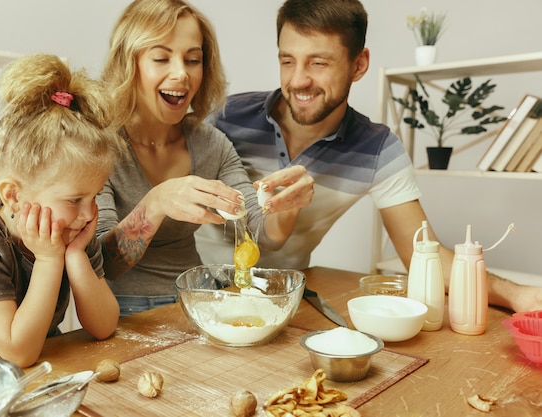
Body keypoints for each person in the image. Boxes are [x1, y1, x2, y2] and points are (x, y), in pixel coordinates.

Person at [195, 0, 542, 313]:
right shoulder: (227, 117)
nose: (298, 80)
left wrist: (518, 295)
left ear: (358, 65)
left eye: (318, 62)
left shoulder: (376, 149)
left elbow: (425, 258)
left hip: (280, 304)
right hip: (194, 292)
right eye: (287, 61)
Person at [96, 0, 314, 316]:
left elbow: (263, 231)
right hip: (124, 312)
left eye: (193, 59)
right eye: (161, 57)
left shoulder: (211, 144)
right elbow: (104, 264)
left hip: (200, 300)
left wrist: (287, 203)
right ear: (129, 64)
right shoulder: (98, 147)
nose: (181, 73)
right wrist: (156, 203)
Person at [0, 54, 122, 367]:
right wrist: (49, 258)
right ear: (13, 195)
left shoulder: (72, 232)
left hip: (32, 368)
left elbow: (104, 325)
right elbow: (19, 350)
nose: (88, 213)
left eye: (95, 196)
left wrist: (75, 257)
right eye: (74, 200)